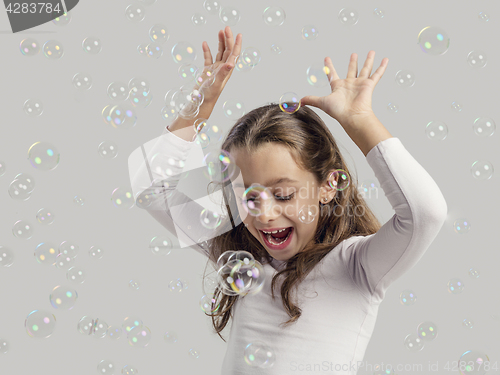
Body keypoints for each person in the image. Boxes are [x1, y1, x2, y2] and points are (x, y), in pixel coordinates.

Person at [128, 26, 448, 374]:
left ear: (327, 187)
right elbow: (151, 188)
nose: (264, 214)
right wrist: (201, 105)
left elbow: (425, 214)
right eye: (248, 196)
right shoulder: (239, 253)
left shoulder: (356, 266)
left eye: (283, 194)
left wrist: (360, 121)